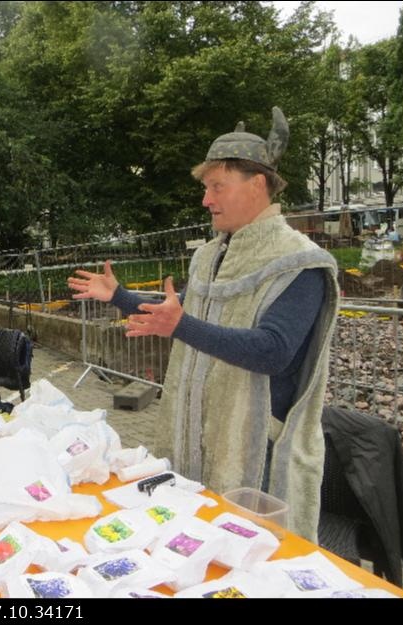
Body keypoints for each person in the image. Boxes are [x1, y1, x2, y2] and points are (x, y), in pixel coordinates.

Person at [68, 107, 339, 541]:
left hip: (257, 454)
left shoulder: (300, 262)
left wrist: (180, 326)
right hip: (197, 433)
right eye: (206, 188)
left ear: (257, 185)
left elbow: (273, 351)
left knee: (247, 558)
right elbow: (181, 317)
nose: (205, 200)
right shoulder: (210, 255)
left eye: (217, 187)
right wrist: (118, 297)